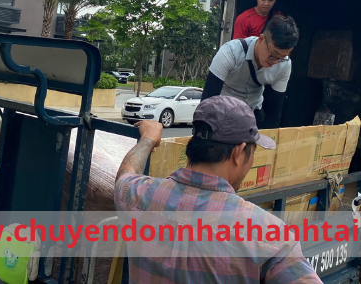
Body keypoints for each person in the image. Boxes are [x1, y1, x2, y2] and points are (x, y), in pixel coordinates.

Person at [114, 96, 321, 283]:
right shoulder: (271, 237)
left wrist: (148, 139)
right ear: (239, 152)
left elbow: (125, 173)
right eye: (253, 152)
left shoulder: (136, 195)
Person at [202, 15, 299, 129]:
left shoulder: (285, 64)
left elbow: (274, 110)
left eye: (281, 58)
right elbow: (208, 100)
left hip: (253, 113)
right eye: (273, 55)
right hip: (223, 111)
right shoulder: (230, 52)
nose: (276, 62)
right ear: (261, 39)